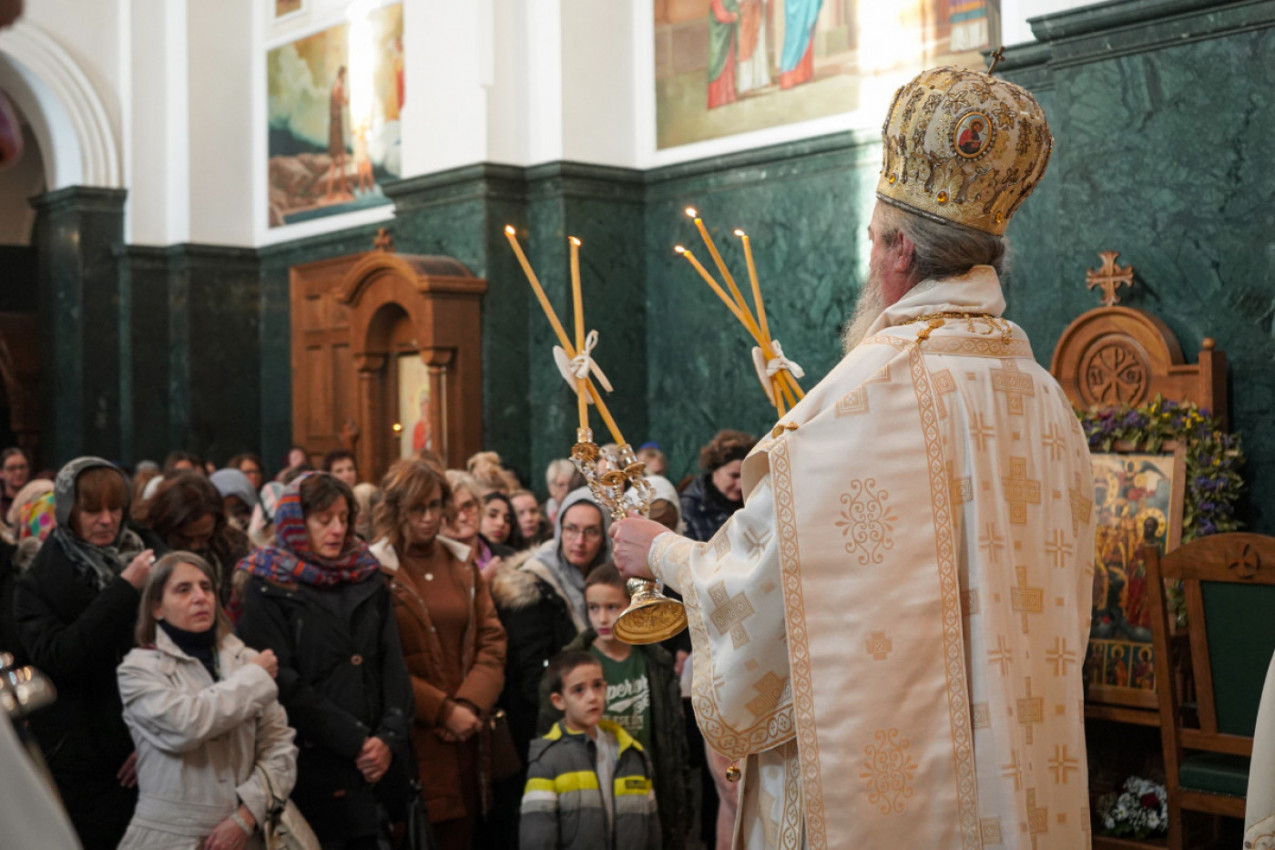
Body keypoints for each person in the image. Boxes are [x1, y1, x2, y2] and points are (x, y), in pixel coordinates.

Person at [611, 65, 1093, 848]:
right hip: (1021, 772)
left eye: (873, 241)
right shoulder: (1043, 400)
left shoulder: (860, 395)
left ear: (899, 250)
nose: (873, 259)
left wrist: (663, 552)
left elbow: (770, 585)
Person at [236, 472, 414, 849]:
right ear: (297, 523)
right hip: (313, 764)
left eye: (344, 518)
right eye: (323, 520)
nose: (337, 529)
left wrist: (389, 737)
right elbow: (281, 679)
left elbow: (392, 662)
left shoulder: (365, 574)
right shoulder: (268, 584)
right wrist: (356, 741)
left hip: (377, 765)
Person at [13, 457, 162, 849]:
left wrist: (152, 739)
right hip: (85, 757)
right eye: (92, 510)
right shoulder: (39, 580)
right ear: (67, 511)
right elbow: (60, 657)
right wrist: (123, 592)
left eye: (115, 509)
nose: (106, 520)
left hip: (154, 744)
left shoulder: (149, 556)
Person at [116, 551, 298, 850]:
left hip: (246, 835)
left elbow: (279, 750)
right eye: (183, 590)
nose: (200, 597)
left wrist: (246, 816)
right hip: (169, 837)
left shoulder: (245, 661)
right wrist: (254, 679)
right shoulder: (138, 670)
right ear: (157, 608)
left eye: (206, 587)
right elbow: (185, 726)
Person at [371, 459, 507, 850]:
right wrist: (443, 709)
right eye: (417, 508)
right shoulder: (376, 570)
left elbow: (492, 641)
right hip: (410, 736)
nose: (429, 518)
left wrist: (469, 704)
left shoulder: (461, 564)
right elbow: (380, 661)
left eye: (435, 505)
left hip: (468, 733)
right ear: (397, 510)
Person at [538, 565, 691, 850]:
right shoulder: (569, 667)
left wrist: (680, 801)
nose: (602, 618)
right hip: (591, 790)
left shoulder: (656, 663)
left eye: (612, 607)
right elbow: (549, 739)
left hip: (647, 784)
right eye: (593, 608)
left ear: (631, 605)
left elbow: (673, 738)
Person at [490, 487, 610, 761]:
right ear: (558, 531)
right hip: (547, 725)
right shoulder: (534, 584)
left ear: (604, 537)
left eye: (591, 531)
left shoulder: (609, 578)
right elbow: (532, 678)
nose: (579, 541)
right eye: (571, 530)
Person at [520, 650, 660, 850]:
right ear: (559, 701)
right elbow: (537, 838)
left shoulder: (632, 754)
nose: (592, 697)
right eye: (578, 690)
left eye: (597, 686)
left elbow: (652, 831)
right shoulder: (548, 760)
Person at [146, 472, 250, 608]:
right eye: (184, 538)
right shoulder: (147, 553)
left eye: (204, 536)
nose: (195, 545)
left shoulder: (232, 548)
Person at [680, 430, 756, 542]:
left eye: (745, 477)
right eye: (734, 475)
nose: (740, 485)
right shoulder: (690, 507)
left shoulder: (755, 501)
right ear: (715, 470)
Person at [443, 471, 510, 574]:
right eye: (452, 511)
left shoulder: (509, 557)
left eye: (468, 506)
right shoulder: (428, 565)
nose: (462, 517)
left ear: (479, 506)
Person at [0, 446, 30, 519]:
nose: (18, 472)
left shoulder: (36, 500)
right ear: (1, 473)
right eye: (11, 468)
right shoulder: (1, 506)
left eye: (22, 467)